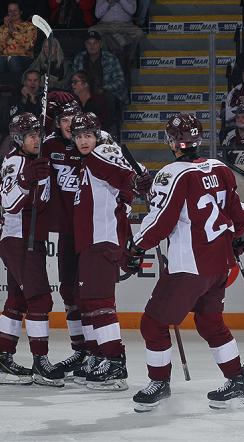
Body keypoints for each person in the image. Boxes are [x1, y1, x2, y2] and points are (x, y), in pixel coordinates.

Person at [126, 113, 244, 412]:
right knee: (210, 322)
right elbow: (240, 211)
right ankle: (237, 380)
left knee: (153, 323)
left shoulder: (173, 173)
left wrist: (135, 247)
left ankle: (159, 382)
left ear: (172, 142)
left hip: (189, 266)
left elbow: (160, 222)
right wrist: (239, 236)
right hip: (219, 265)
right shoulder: (221, 168)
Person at [0, 113, 64, 387]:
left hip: (30, 238)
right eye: (31, 135)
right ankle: (40, 362)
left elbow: (42, 202)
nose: (37, 139)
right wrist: (26, 180)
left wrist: (39, 179)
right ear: (19, 139)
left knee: (17, 300)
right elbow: (9, 203)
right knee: (40, 300)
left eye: (39, 134)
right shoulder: (15, 162)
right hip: (19, 239)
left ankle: (4, 361)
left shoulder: (35, 161)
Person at [70, 112, 137, 391]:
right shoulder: (88, 162)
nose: (83, 141)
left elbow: (126, 178)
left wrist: (134, 179)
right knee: (89, 303)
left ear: (97, 136)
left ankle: (114, 362)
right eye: (79, 136)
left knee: (100, 303)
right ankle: (99, 356)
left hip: (102, 242)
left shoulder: (102, 154)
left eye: (88, 135)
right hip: (91, 243)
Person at [39, 93, 88, 380]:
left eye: (73, 119)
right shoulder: (50, 146)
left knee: (92, 296)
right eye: (64, 120)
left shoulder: (95, 142)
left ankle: (98, 353)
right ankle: (80, 350)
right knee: (69, 293)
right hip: (68, 233)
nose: (70, 125)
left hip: (92, 232)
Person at [92, 0, 144, 67]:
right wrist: (108, 1)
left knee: (139, 33)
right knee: (92, 31)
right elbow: (97, 14)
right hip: (105, 25)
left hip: (125, 25)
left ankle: (129, 58)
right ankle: (105, 59)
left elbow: (132, 11)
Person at [73, 30, 128, 107]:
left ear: (100, 44)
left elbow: (120, 81)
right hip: (85, 91)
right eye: (89, 43)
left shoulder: (111, 58)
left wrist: (103, 89)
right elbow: (75, 79)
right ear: (85, 45)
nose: (92, 46)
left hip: (107, 91)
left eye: (95, 43)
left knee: (108, 98)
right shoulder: (79, 58)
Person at [0, 2, 37, 75]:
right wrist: (7, 28)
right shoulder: (3, 27)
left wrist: (13, 31)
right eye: (10, 11)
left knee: (13, 60)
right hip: (5, 57)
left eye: (15, 10)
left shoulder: (29, 26)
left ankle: (17, 85)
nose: (12, 13)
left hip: (24, 57)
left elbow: (29, 45)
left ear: (21, 12)